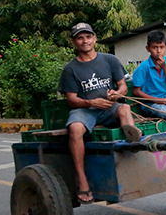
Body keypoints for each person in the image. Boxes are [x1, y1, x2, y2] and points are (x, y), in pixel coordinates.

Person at [58, 22, 142, 204]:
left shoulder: (109, 60)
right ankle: (82, 179)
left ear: (94, 39)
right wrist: (90, 101)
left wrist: (116, 94)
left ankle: (133, 142)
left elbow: (123, 86)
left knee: (125, 108)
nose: (85, 41)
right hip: (85, 110)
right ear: (74, 42)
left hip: (109, 108)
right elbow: (71, 99)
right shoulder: (70, 69)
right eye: (80, 38)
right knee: (75, 129)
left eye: (88, 37)